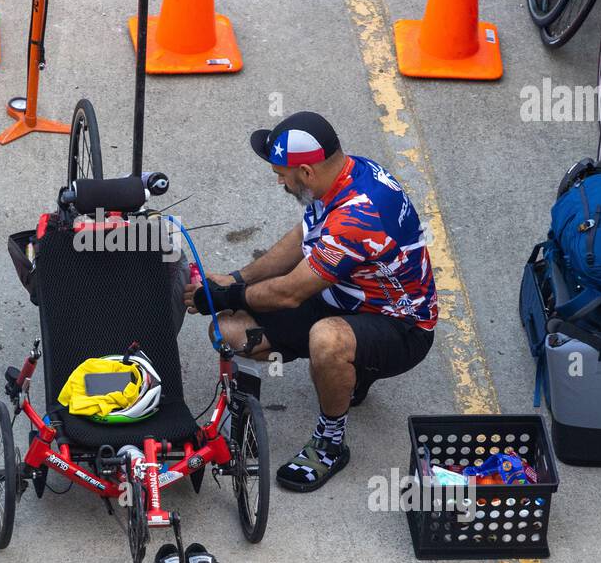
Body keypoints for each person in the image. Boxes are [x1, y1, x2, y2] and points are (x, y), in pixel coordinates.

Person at [184, 111, 438, 492]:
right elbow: (304, 234)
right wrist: (238, 278)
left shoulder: (359, 215)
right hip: (343, 297)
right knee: (230, 330)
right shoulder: (342, 175)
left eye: (281, 173)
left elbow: (289, 293)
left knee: (327, 340)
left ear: (305, 172)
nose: (278, 181)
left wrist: (226, 294)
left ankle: (331, 443)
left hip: (401, 328)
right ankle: (251, 419)